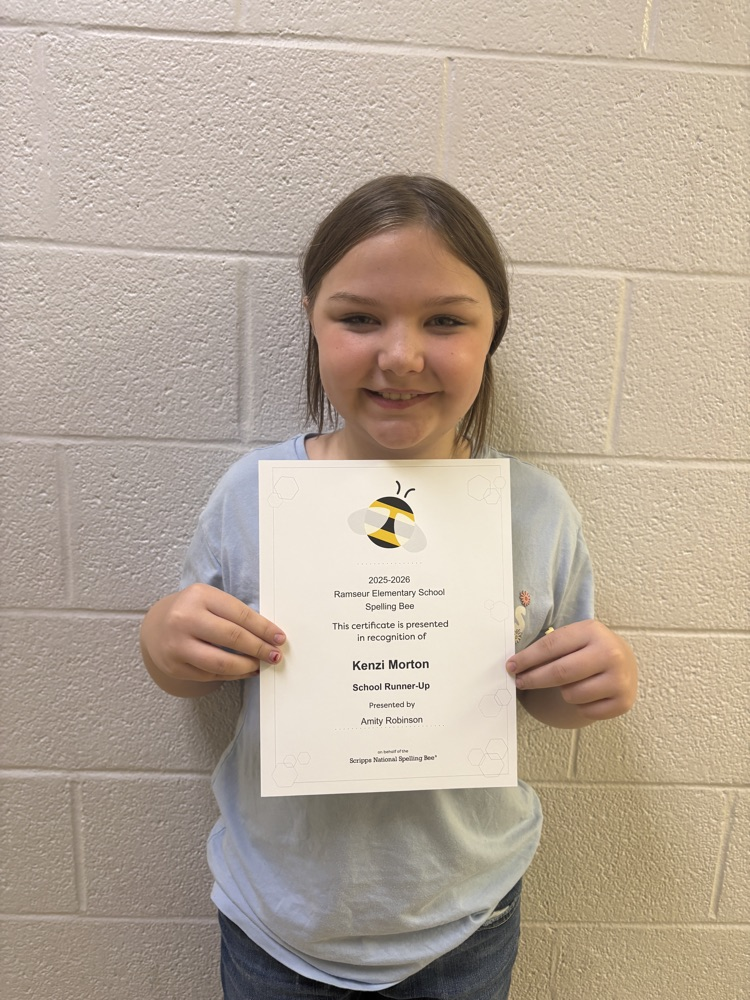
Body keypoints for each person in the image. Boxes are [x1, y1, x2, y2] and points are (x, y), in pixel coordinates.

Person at [140, 175, 638, 1000]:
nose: (401, 355)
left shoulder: (534, 509)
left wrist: (588, 684)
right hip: (281, 921)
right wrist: (166, 640)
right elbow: (189, 671)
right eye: (359, 317)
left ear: (493, 332)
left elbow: (538, 698)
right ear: (312, 317)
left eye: (445, 320)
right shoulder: (256, 492)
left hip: (465, 918)